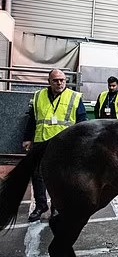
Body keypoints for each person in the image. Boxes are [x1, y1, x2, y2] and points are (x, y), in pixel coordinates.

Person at [22, 69, 88, 222]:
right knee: (38, 176)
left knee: (61, 177)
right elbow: (32, 119)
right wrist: (27, 138)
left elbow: (82, 123)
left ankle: (56, 207)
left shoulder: (74, 97)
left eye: (62, 80)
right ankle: (41, 206)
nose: (59, 83)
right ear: (49, 81)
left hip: (65, 144)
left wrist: (81, 145)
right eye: (55, 80)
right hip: (41, 141)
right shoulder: (38, 96)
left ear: (66, 81)